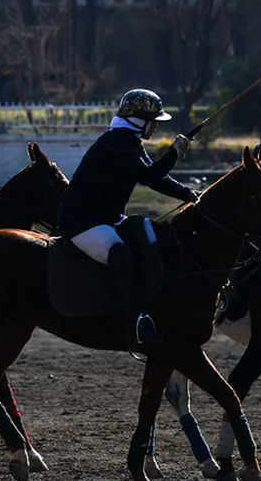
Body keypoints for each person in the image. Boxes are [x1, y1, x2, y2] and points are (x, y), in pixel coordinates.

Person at [56, 88, 197, 347]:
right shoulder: (116, 141)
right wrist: (173, 154)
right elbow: (149, 176)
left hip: (107, 218)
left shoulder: (130, 143)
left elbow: (156, 178)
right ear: (138, 120)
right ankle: (135, 323)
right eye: (152, 122)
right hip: (82, 220)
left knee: (149, 237)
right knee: (122, 255)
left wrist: (188, 193)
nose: (154, 128)